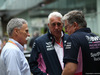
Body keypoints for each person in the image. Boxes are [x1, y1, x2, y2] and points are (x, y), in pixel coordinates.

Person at [62, 10, 100, 75]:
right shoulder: (97, 38)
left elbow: (70, 68)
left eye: (66, 27)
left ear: (75, 25)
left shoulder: (73, 38)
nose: (65, 31)